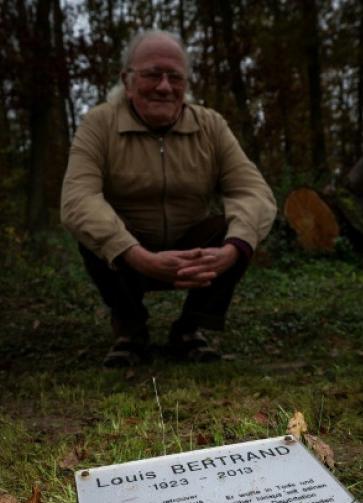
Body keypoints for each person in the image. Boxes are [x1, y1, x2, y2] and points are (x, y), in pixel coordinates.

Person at [60, 29, 277, 368]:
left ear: (185, 83)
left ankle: (189, 329)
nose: (164, 86)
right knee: (95, 229)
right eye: (152, 74)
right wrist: (137, 254)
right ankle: (130, 331)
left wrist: (233, 250)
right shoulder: (99, 123)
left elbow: (253, 192)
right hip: (129, 252)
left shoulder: (210, 125)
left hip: (191, 250)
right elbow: (77, 198)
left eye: (174, 77)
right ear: (128, 80)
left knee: (237, 230)